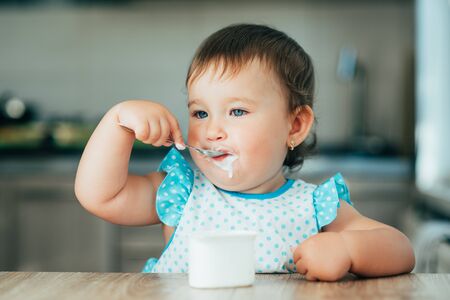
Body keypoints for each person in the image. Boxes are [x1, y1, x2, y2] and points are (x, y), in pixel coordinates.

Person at [75, 23, 415, 281]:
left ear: (295, 126)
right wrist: (116, 122)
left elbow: (400, 249)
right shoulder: (182, 191)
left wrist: (348, 249)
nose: (211, 130)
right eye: (200, 113)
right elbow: (100, 196)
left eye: (237, 112)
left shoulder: (314, 207)